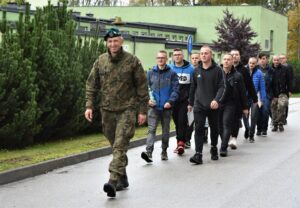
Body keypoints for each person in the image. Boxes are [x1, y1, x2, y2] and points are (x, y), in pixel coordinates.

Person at [85, 28, 149, 198]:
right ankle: (123, 176)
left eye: (116, 41)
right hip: (107, 110)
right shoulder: (101, 61)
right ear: (107, 43)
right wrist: (89, 105)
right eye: (110, 41)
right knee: (115, 146)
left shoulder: (132, 61)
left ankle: (112, 181)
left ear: (121, 41)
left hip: (127, 110)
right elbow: (92, 84)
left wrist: (142, 110)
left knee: (120, 145)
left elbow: (142, 86)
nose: (113, 44)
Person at [188, 45, 225, 164]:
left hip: (213, 105)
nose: (203, 55)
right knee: (198, 129)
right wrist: (190, 103)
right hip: (199, 105)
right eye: (202, 53)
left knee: (214, 128)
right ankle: (198, 154)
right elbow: (193, 88)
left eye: (206, 53)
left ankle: (214, 147)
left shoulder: (218, 70)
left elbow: (222, 87)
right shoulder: (196, 71)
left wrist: (217, 100)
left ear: (211, 55)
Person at [141, 50, 179, 163]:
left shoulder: (172, 73)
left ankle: (164, 151)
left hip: (166, 108)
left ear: (166, 59)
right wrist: (148, 100)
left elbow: (176, 90)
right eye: (158, 58)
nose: (160, 59)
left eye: (162, 58)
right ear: (156, 59)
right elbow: (144, 89)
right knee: (151, 130)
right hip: (153, 108)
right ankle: (149, 152)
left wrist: (170, 102)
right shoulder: (150, 73)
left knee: (165, 130)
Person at [219, 54, 248, 156]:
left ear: (232, 62)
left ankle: (223, 148)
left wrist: (245, 107)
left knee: (226, 124)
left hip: (231, 103)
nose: (226, 61)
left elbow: (242, 92)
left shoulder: (238, 75)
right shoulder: (218, 73)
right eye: (225, 59)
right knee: (219, 126)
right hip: (218, 103)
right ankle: (225, 142)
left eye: (229, 60)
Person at [230, 50, 258, 148]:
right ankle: (229, 136)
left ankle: (234, 137)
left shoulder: (244, 70)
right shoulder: (223, 68)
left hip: (239, 100)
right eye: (232, 55)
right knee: (227, 120)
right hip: (226, 100)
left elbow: (250, 85)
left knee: (237, 118)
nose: (234, 56)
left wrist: (255, 99)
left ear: (239, 56)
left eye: (236, 54)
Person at [170, 48, 194, 155]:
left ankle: (181, 143)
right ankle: (179, 142)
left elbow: (193, 86)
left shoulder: (191, 69)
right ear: (173, 56)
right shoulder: (170, 68)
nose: (177, 56)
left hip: (185, 100)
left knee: (182, 121)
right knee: (176, 122)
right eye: (175, 55)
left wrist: (191, 101)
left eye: (179, 55)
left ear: (182, 56)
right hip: (173, 100)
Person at [246, 57, 267, 143]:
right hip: (244, 98)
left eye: (253, 63)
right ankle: (247, 129)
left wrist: (262, 99)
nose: (251, 65)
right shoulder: (244, 71)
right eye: (250, 63)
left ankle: (251, 135)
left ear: (256, 64)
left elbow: (262, 87)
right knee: (245, 117)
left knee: (254, 117)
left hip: (254, 98)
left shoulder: (259, 73)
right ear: (248, 62)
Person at [270, 55, 291, 132]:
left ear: (280, 61)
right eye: (275, 60)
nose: (276, 62)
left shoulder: (285, 69)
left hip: (283, 93)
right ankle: (275, 125)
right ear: (272, 61)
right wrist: (272, 95)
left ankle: (280, 123)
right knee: (274, 108)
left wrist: (289, 90)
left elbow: (289, 80)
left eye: (278, 60)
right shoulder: (270, 69)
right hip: (273, 93)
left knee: (282, 106)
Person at [257, 53, 274, 136]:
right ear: (259, 60)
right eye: (261, 58)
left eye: (265, 58)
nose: (263, 60)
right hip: (256, 94)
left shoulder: (271, 70)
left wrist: (272, 95)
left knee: (265, 111)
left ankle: (264, 129)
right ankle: (258, 128)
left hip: (267, 94)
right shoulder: (255, 69)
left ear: (267, 60)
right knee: (257, 112)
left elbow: (274, 83)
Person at [279, 54, 294, 125]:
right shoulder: (277, 67)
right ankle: (278, 119)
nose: (281, 60)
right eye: (280, 58)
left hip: (286, 90)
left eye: (283, 58)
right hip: (278, 90)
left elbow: (291, 79)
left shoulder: (289, 67)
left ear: (286, 59)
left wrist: (290, 90)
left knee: (285, 104)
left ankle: (284, 118)